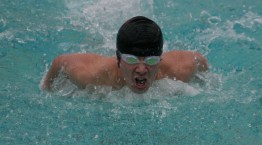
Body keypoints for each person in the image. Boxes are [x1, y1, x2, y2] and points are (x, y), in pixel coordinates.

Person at [41, 16, 208, 94]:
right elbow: (59, 62)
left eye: (151, 60)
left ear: (160, 59)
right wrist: (46, 90)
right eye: (131, 60)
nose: (142, 70)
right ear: (119, 58)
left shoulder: (179, 71)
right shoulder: (92, 75)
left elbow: (199, 59)